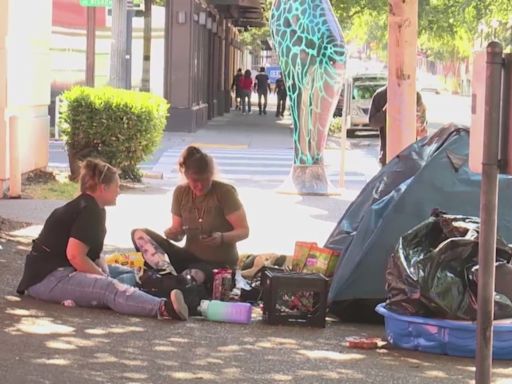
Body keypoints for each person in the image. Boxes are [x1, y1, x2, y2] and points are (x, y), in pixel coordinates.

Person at [16, 158, 188, 321]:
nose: (119, 191)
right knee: (108, 287)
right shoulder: (90, 210)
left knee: (125, 273)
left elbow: (92, 255)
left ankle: (153, 294)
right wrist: (104, 278)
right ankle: (163, 308)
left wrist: (105, 273)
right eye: (116, 186)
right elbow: (75, 255)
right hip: (48, 278)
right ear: (103, 188)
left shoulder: (89, 206)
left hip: (52, 272)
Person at [131, 146, 249, 307]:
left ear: (211, 175)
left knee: (195, 275)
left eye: (204, 180)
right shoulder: (181, 192)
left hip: (217, 264)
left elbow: (243, 231)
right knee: (140, 234)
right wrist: (174, 233)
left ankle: (174, 284)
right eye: (194, 181)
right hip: (187, 257)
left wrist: (222, 238)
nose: (199, 186)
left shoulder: (225, 192)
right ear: (186, 176)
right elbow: (178, 233)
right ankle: (172, 280)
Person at [369, 86, 428, 166]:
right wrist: (386, 112)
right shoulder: (380, 95)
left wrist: (421, 127)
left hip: (410, 154)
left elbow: (422, 123)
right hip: (388, 157)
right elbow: (372, 122)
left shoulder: (415, 95)